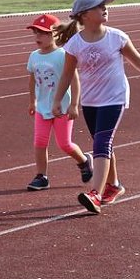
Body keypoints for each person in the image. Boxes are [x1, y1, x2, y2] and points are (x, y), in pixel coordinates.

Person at [52, 0, 140, 214]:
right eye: (99, 7)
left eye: (105, 6)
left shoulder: (117, 37)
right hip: (91, 100)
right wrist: (59, 99)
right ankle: (114, 185)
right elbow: (67, 74)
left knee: (102, 142)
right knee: (102, 142)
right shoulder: (75, 44)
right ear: (84, 15)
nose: (105, 9)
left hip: (114, 97)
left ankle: (95, 194)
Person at [25, 13, 93, 191]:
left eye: (42, 33)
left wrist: (74, 105)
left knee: (64, 143)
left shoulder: (63, 55)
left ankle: (84, 161)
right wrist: (32, 101)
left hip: (62, 108)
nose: (37, 37)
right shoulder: (34, 56)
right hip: (42, 108)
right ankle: (42, 176)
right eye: (35, 33)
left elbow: (74, 80)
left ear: (54, 34)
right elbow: (32, 79)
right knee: (39, 142)